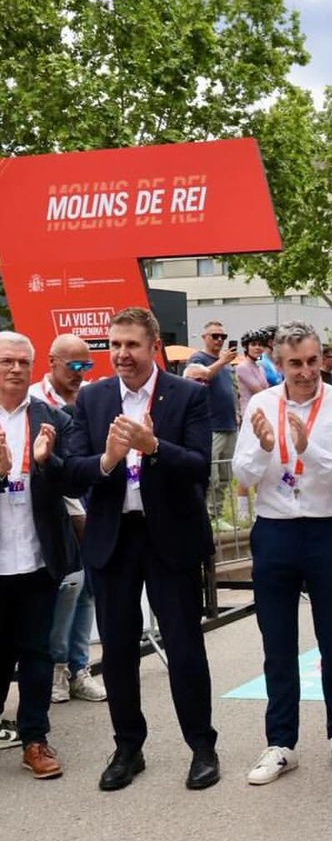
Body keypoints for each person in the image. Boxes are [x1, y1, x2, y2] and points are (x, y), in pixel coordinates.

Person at [64, 307, 220, 791]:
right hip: (114, 537)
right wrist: (109, 459)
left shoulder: (188, 395)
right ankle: (128, 747)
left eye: (131, 345)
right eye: (114, 345)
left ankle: (202, 747)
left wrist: (154, 447)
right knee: (117, 648)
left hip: (169, 536)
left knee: (184, 644)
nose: (121, 355)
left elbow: (199, 467)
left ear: (153, 346)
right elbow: (72, 470)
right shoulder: (92, 399)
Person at [233, 321, 332, 786]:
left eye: (313, 361)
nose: (306, 372)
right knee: (277, 643)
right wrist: (265, 448)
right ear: (278, 363)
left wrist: (311, 451)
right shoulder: (262, 404)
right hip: (275, 531)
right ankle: (280, 743)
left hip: (328, 528)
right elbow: (243, 475)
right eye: (295, 364)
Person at [0, 331, 80, 778]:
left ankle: (35, 739)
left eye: (22, 363)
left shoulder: (52, 418)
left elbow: (75, 485)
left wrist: (47, 462)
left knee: (37, 652)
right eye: (6, 361)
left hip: (37, 558)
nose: (14, 369)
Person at [31, 333, 106, 705]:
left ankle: (79, 668)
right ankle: (57, 666)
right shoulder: (33, 402)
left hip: (88, 495)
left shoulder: (91, 397)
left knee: (88, 587)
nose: (80, 373)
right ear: (52, 362)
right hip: (52, 508)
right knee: (66, 587)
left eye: (86, 365)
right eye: (73, 365)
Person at [188, 321, 240, 525]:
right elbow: (201, 374)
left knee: (226, 475)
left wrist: (236, 412)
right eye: (214, 336)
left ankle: (217, 515)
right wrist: (222, 361)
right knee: (212, 475)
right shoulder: (198, 358)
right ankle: (206, 516)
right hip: (211, 426)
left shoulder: (226, 365)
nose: (219, 340)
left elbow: (231, 390)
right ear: (204, 337)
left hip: (228, 424)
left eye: (222, 337)